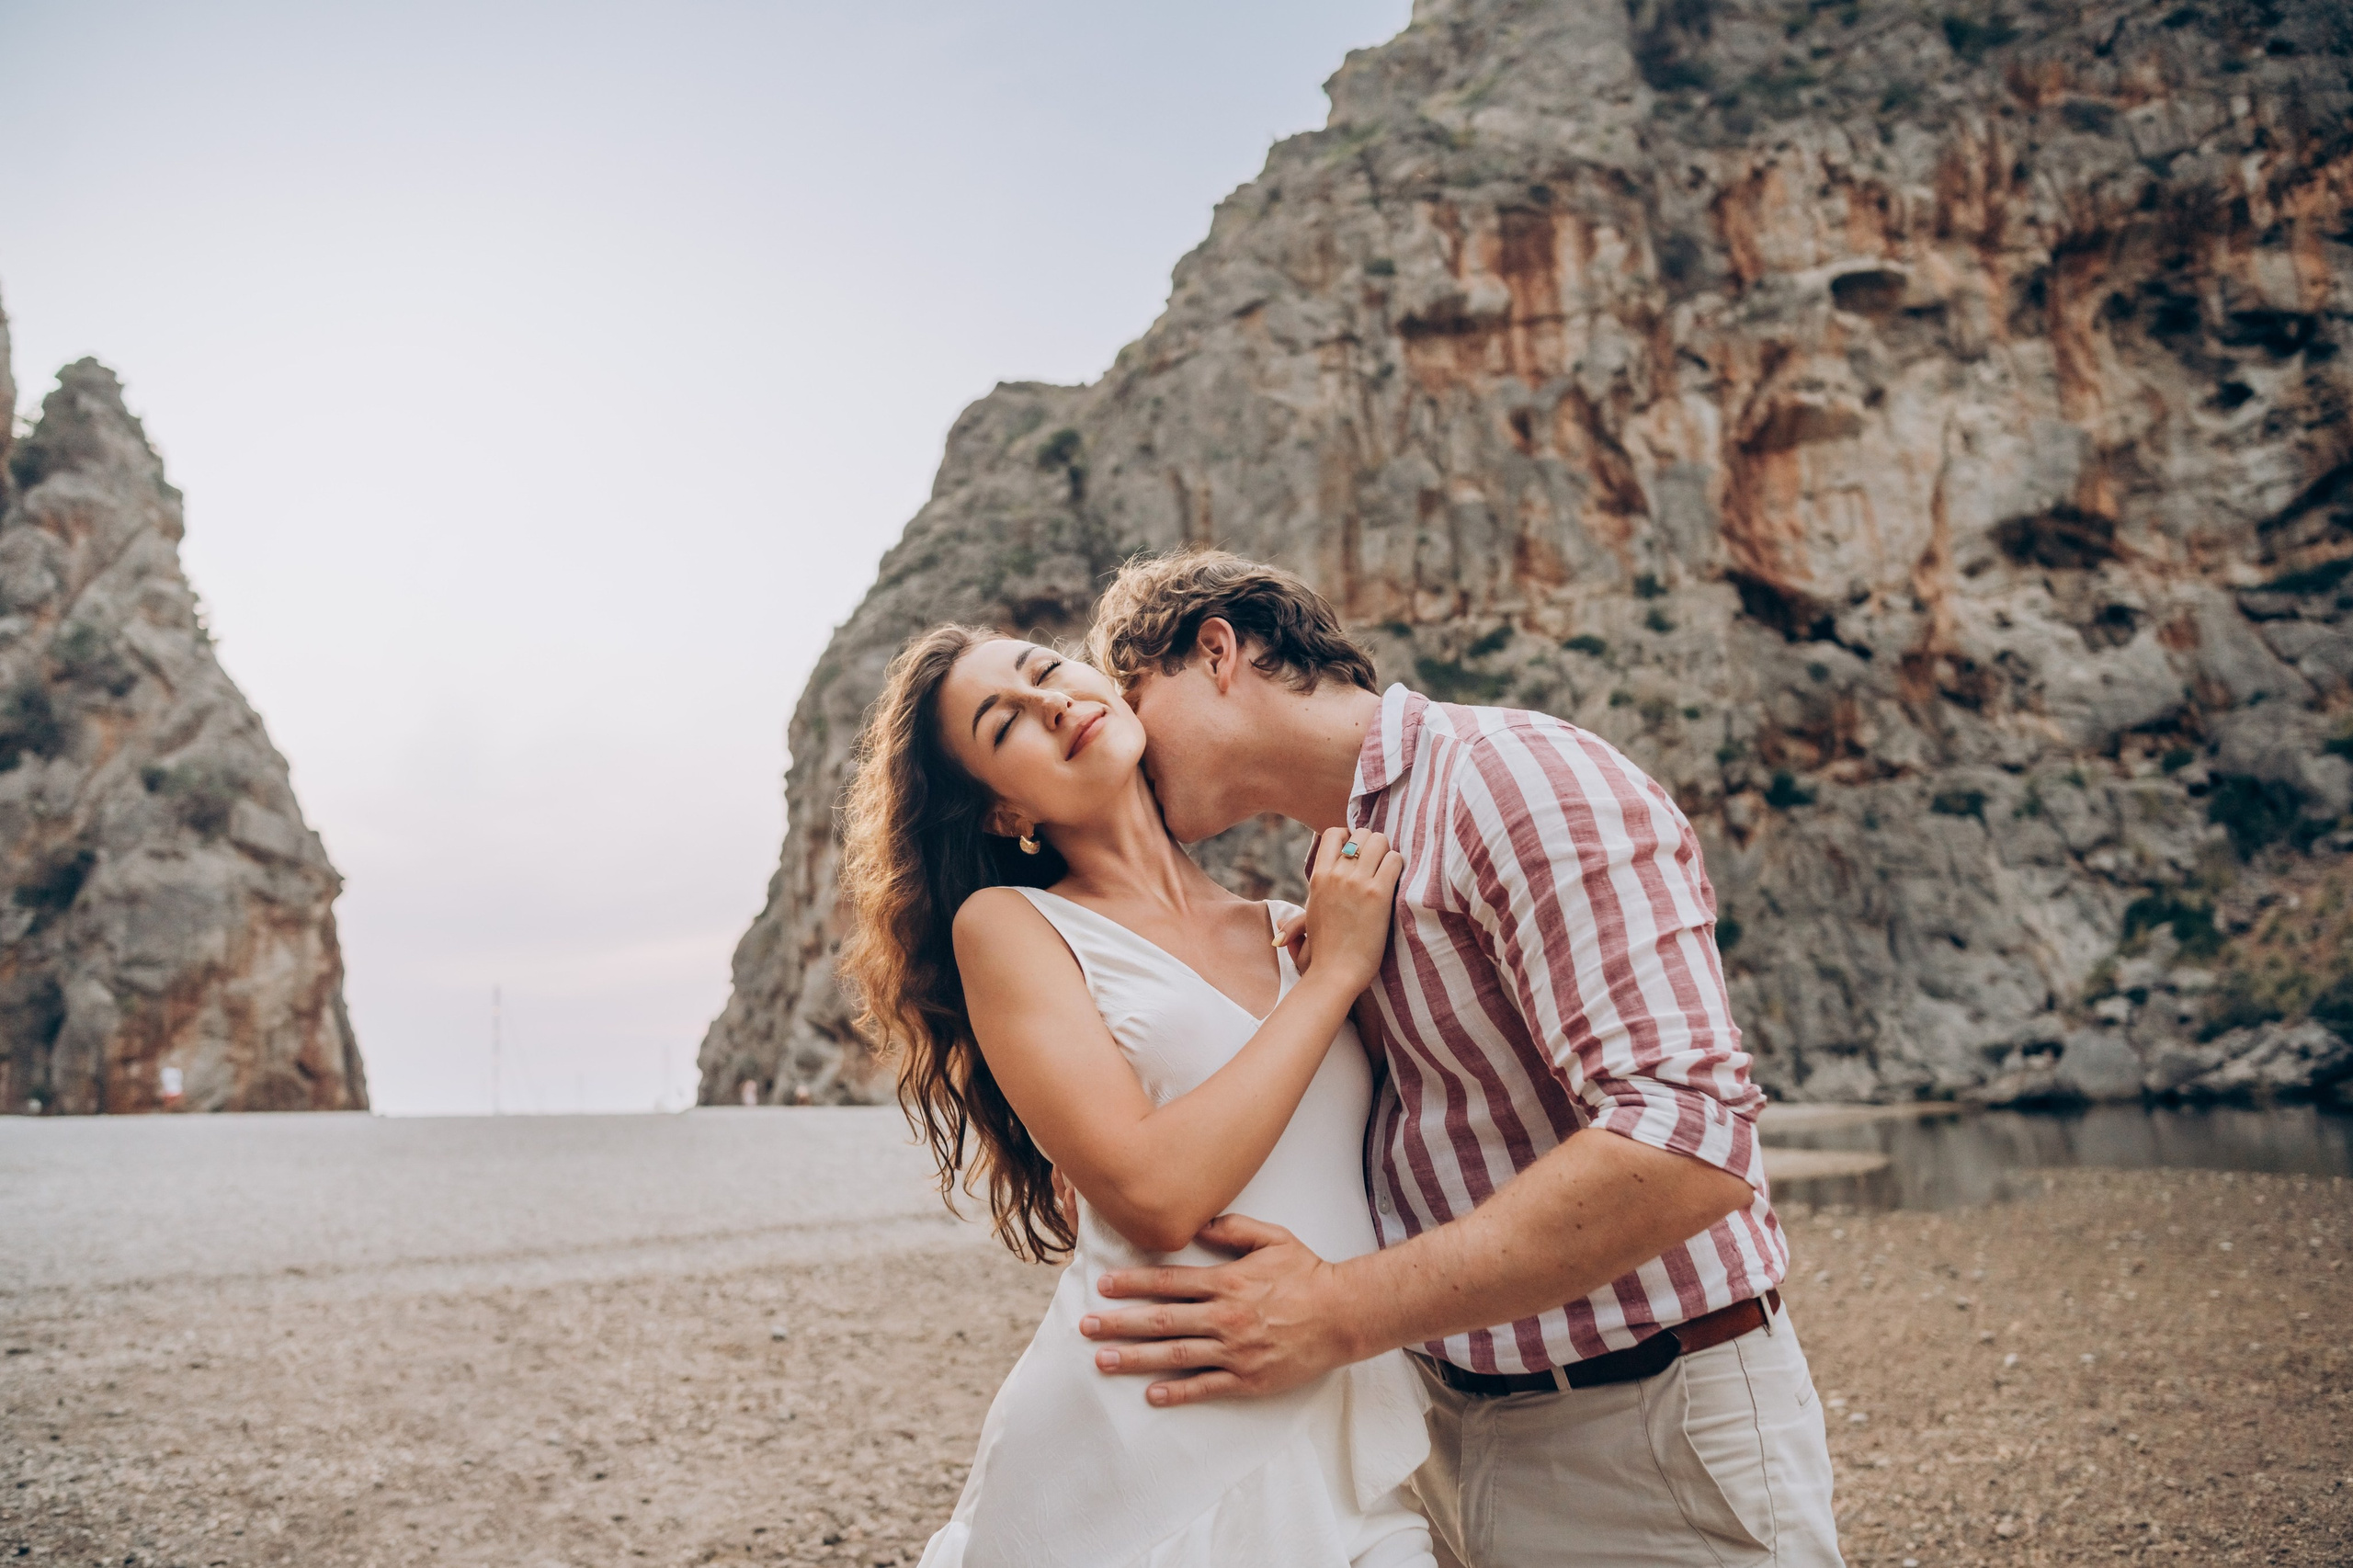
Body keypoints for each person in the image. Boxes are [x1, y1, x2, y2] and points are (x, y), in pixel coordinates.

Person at [1074, 551, 1843, 1567]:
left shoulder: (1508, 777)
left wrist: (1333, 1311)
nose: (1122, 749)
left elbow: (1686, 1139)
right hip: (1448, 1427)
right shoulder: (1340, 856)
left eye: (1129, 702)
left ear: (1216, 649)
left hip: (1647, 1426)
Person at [835, 624, 1440, 1568]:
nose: (1052, 704)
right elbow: (1154, 1197)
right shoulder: (1011, 925)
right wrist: (1333, 984)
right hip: (1143, 1444)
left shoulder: (1300, 926)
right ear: (1001, 811)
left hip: (1332, 1407)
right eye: (1008, 723)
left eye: (1047, 672)